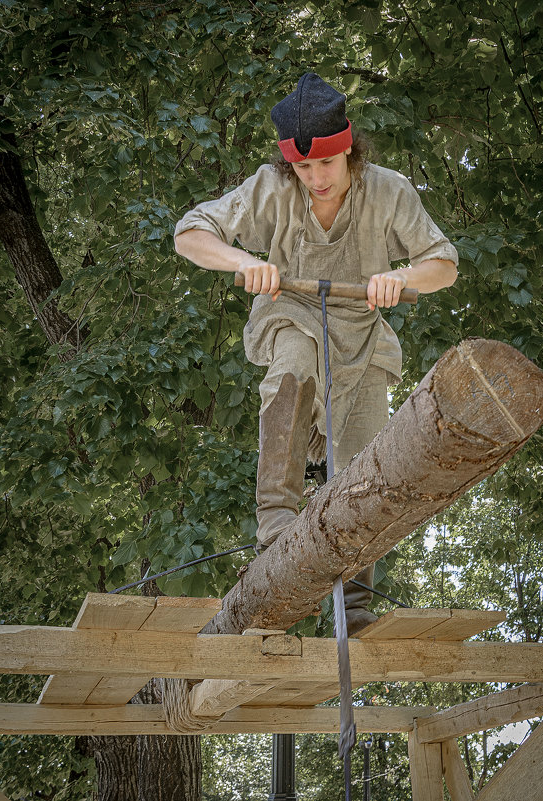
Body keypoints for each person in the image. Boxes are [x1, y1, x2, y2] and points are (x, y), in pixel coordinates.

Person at [174, 73, 458, 635]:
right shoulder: (273, 188)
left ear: (348, 148)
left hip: (364, 338)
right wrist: (241, 263)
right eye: (303, 169)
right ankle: (277, 522)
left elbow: (443, 264)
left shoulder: (390, 189)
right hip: (293, 313)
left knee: (366, 462)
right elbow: (190, 233)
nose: (316, 179)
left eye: (325, 165)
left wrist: (401, 277)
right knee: (294, 368)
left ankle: (353, 600)